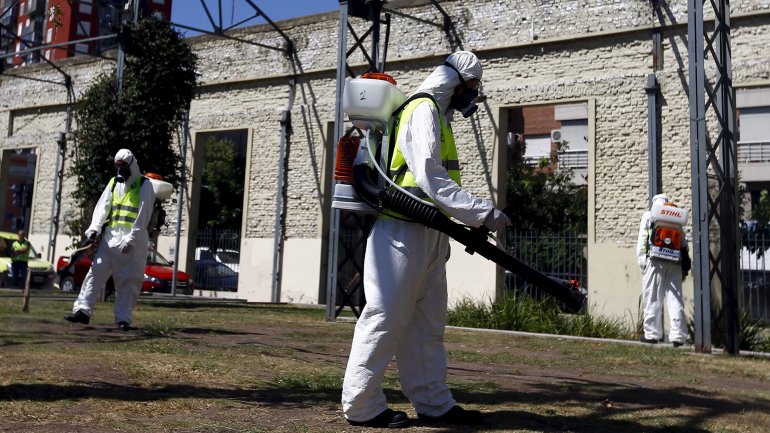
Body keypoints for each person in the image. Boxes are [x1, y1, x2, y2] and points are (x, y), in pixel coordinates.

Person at [341, 51, 511, 429]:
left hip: (431, 234)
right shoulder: (423, 110)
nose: (474, 95)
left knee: (426, 325)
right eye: (473, 87)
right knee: (384, 317)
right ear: (458, 81)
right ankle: (361, 406)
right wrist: (481, 212)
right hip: (402, 234)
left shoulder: (437, 115)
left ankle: (434, 403)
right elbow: (431, 177)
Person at [65, 149, 155, 331]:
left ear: (131, 165)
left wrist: (132, 239)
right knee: (95, 273)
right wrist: (93, 229)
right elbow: (102, 207)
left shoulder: (144, 184)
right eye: (118, 165)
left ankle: (123, 319)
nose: (120, 169)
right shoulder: (114, 183)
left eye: (123, 166)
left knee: (128, 281)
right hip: (110, 238)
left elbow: (143, 215)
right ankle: (82, 311)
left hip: (133, 243)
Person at [636, 193, 691, 347]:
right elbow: (683, 243)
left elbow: (642, 240)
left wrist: (642, 262)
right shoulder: (676, 218)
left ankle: (652, 334)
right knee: (675, 298)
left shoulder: (649, 215)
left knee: (652, 297)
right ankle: (678, 336)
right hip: (675, 262)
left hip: (654, 261)